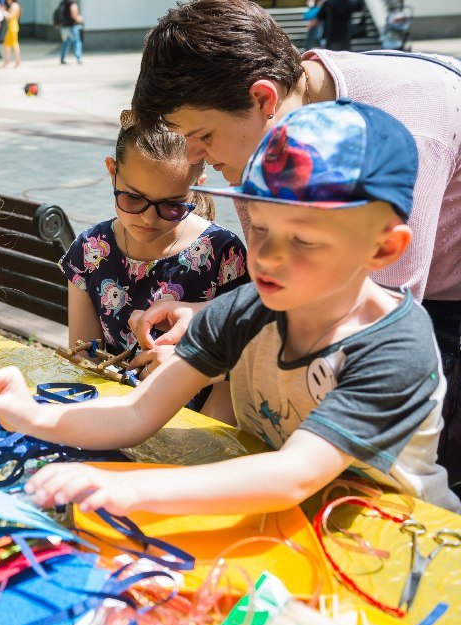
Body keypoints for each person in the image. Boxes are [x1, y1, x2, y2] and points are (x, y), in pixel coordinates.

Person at [0, 101, 461, 518]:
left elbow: (294, 473)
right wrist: (33, 416)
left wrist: (134, 487)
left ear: (382, 249)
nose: (267, 257)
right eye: (263, 229)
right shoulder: (247, 310)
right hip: (281, 523)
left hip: (394, 541)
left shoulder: (394, 347)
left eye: (305, 241)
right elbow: (137, 410)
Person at [130, 0, 461, 496]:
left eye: (202, 136)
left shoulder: (406, 123)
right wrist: (215, 318)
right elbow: (292, 278)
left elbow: (374, 300)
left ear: (264, 99)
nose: (195, 159)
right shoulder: (262, 132)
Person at [60, 110, 248, 411]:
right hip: (111, 415)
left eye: (172, 205)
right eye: (133, 198)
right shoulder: (91, 250)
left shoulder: (224, 254)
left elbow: (231, 387)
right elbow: (85, 360)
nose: (148, 218)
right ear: (112, 172)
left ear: (197, 186)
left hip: (195, 430)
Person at [59, 0, 83, 65]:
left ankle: (62, 58)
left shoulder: (63, 2)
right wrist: (80, 20)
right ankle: (79, 58)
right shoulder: (72, 2)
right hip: (72, 26)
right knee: (77, 41)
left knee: (66, 42)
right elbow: (74, 13)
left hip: (64, 26)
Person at [2, 0, 21, 68]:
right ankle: (7, 60)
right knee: (6, 44)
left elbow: (10, 17)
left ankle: (18, 61)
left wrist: (4, 12)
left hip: (12, 27)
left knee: (15, 44)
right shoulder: (14, 5)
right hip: (11, 27)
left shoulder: (14, 5)